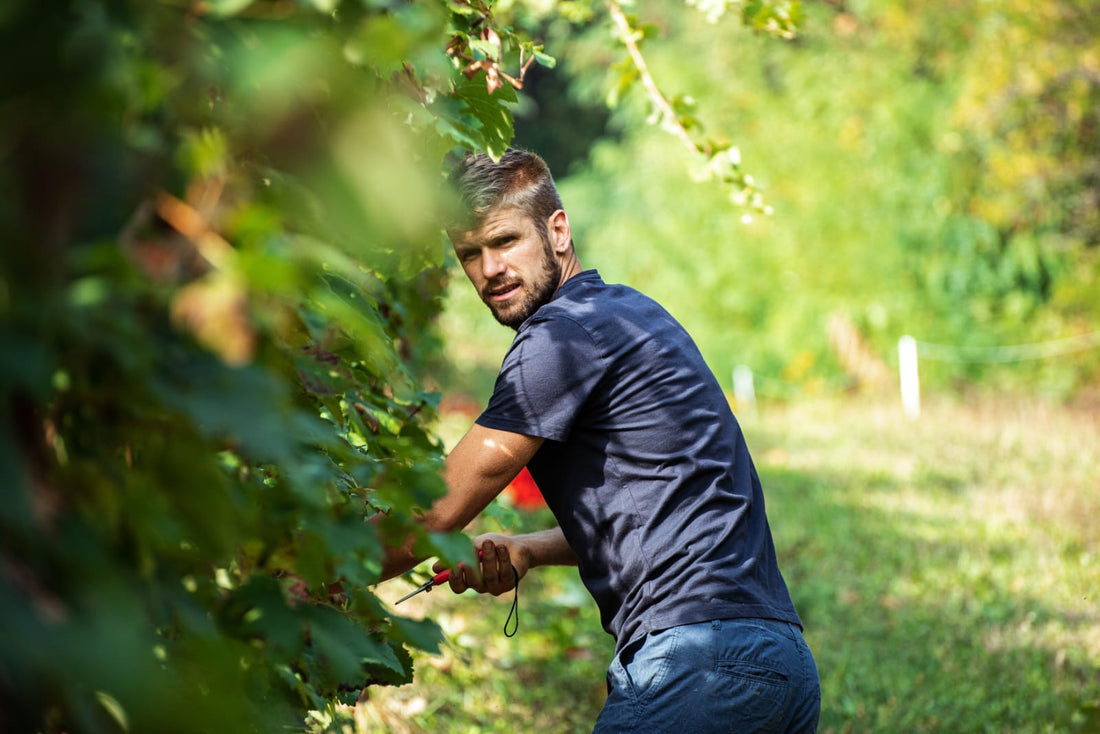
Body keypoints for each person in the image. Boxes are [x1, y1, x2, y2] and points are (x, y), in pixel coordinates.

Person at [380, 148, 821, 732]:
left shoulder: (559, 338)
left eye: (505, 241)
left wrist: (317, 575)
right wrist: (529, 548)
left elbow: (439, 507)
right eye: (470, 254)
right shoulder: (629, 313)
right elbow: (662, 503)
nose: (489, 269)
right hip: (777, 668)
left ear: (557, 230)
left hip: (698, 666)